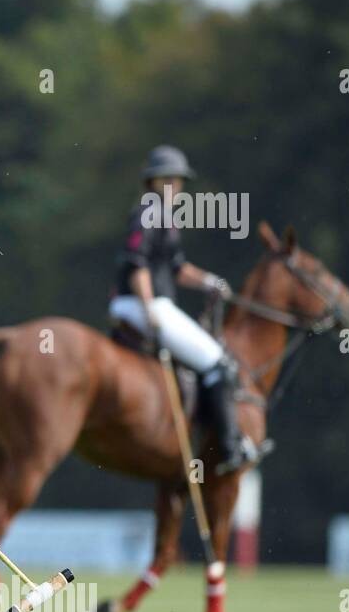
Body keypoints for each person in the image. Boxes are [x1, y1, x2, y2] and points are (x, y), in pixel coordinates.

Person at [108, 145, 262, 474]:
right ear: (152, 182)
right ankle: (229, 446)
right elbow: (138, 265)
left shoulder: (163, 215)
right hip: (143, 303)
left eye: (177, 181)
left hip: (147, 302)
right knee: (219, 362)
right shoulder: (149, 212)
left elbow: (177, 268)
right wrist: (149, 308)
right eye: (166, 180)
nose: (173, 186)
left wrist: (210, 281)